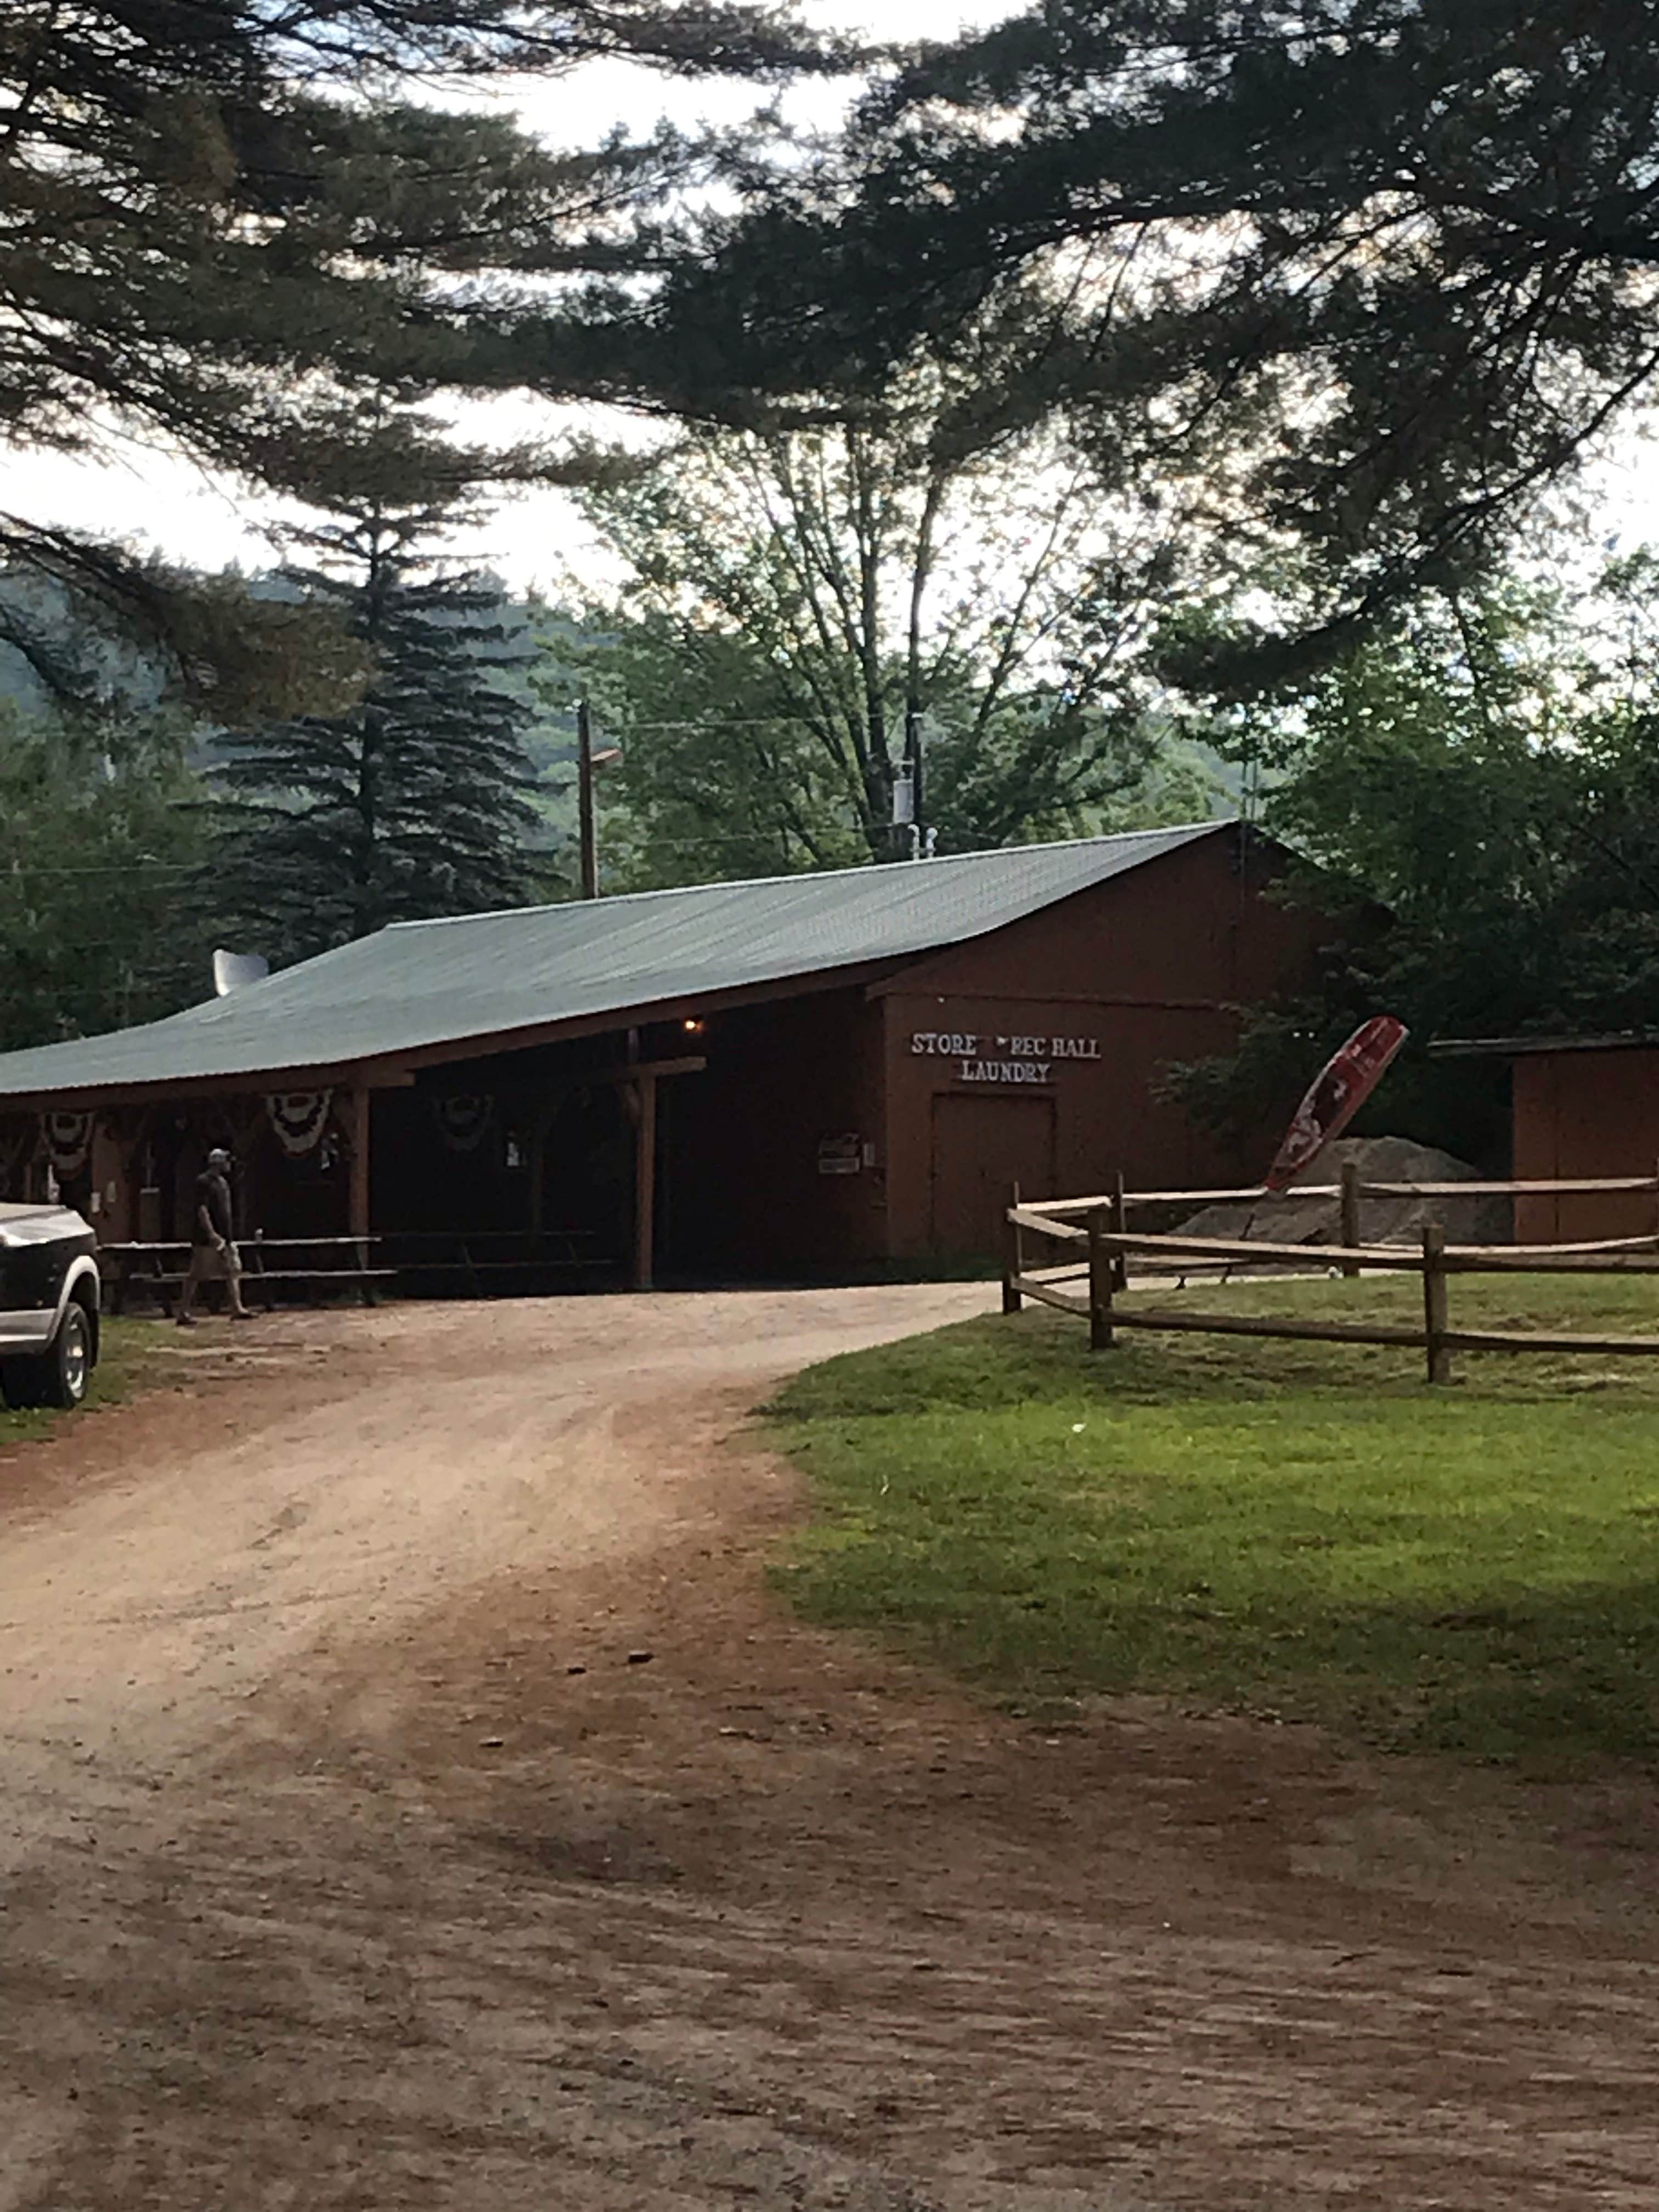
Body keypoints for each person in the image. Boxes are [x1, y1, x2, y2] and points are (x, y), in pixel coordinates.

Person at [176, 1147, 253, 1325]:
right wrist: (211, 1233)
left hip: (227, 1236)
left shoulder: (224, 1183)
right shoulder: (203, 1182)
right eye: (226, 1161)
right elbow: (202, 1209)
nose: (229, 1164)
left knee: (233, 1270)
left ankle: (237, 1307)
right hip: (207, 1238)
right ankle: (184, 1311)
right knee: (197, 1273)